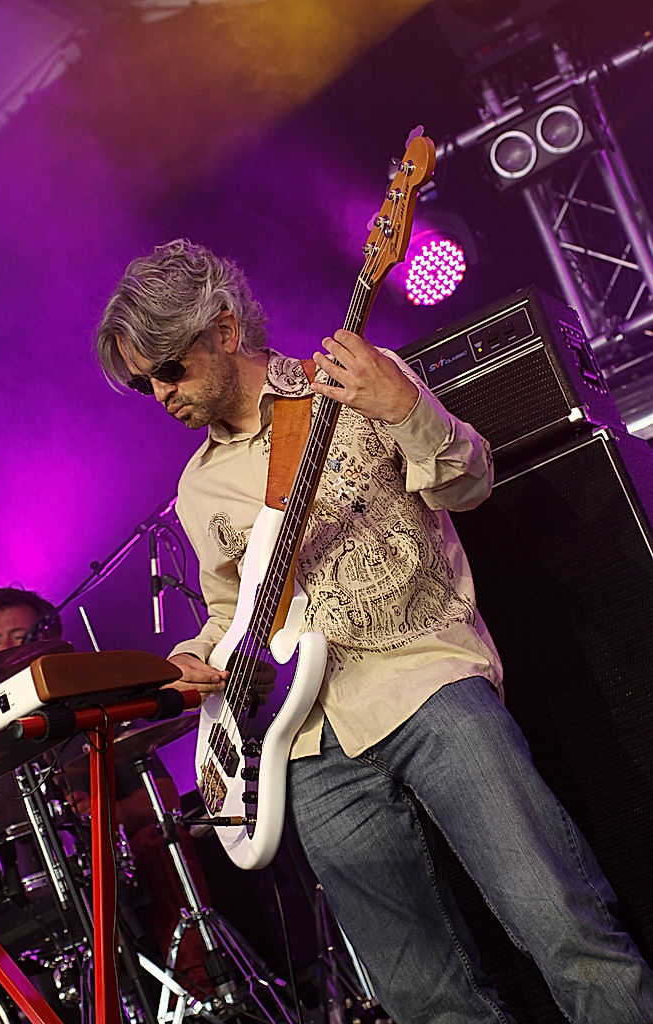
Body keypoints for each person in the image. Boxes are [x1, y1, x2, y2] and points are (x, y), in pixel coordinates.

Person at [95, 238, 653, 1024]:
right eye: (144, 381)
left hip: (427, 685)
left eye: (168, 368)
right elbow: (237, 610)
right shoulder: (197, 489)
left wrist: (405, 409)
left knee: (565, 929)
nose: (158, 392)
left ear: (221, 329)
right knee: (423, 999)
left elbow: (470, 482)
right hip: (312, 750)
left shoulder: (358, 381)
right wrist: (194, 658)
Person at [0, 586, 215, 1000]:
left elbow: (164, 800)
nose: (7, 653)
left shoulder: (88, 710)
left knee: (161, 840)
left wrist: (107, 814)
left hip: (110, 865)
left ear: (49, 638)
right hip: (20, 894)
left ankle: (200, 991)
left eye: (19, 638)